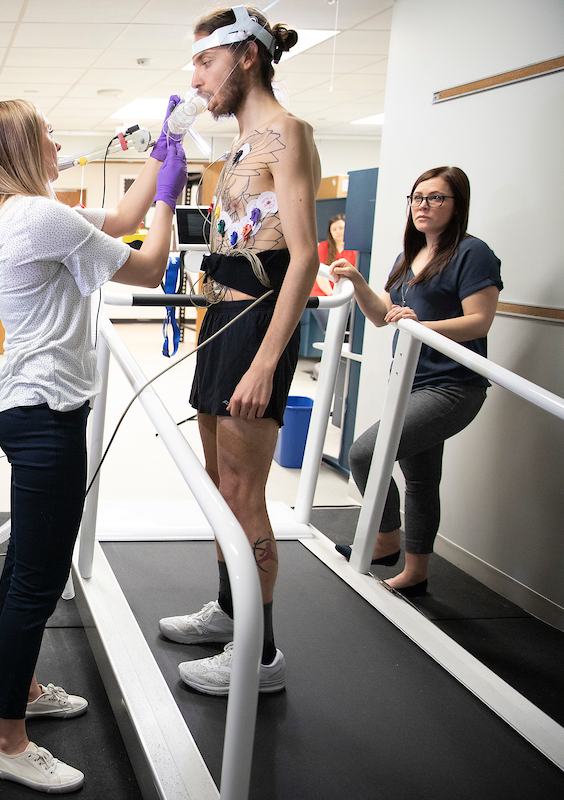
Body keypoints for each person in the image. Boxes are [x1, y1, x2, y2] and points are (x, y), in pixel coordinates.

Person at [0, 98, 187, 792]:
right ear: (24, 147)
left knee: (25, 568)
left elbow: (120, 220)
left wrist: (160, 156)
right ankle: (6, 738)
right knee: (38, 575)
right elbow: (150, 265)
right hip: (45, 415)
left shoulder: (20, 212)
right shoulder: (40, 217)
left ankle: (24, 690)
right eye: (48, 133)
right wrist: (174, 197)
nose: (59, 141)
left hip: (28, 408)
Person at [155, 5, 319, 697]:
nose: (196, 77)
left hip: (255, 330)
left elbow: (305, 257)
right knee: (219, 491)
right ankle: (230, 613)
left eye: (204, 61)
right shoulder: (238, 146)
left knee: (245, 494)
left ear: (246, 55)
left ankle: (262, 655)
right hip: (219, 325)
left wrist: (262, 362)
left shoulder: (289, 134)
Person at [330, 166, 501, 596]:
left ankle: (386, 541)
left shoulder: (472, 252)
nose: (423, 205)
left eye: (436, 198)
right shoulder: (410, 255)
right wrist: (356, 281)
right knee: (421, 479)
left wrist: (421, 323)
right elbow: (381, 316)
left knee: (365, 453)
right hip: (410, 380)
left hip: (453, 386)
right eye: (417, 197)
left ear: (456, 204)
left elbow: (480, 320)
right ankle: (416, 572)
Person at [309, 213, 354, 377]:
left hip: (347, 297)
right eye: (334, 229)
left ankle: (338, 369)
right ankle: (327, 369)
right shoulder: (323, 247)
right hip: (324, 295)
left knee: (345, 333)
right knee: (331, 330)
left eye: (341, 228)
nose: (338, 231)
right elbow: (320, 275)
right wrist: (333, 295)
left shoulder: (353, 249)